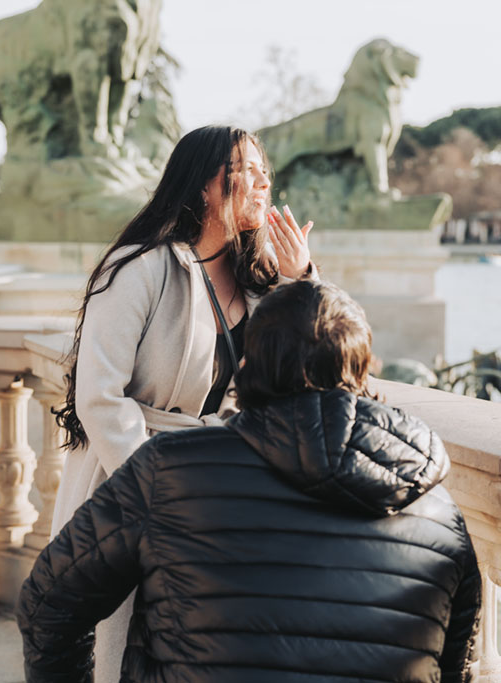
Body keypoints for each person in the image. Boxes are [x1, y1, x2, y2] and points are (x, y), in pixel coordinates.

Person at [19, 279, 482, 682]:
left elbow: (46, 607)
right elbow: (454, 667)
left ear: (247, 368)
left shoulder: (167, 471)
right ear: (364, 373)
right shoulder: (441, 517)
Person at [50, 125, 315, 681]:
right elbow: (99, 396)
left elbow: (326, 367)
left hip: (215, 491)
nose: (265, 181)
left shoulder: (259, 281)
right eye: (249, 169)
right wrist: (163, 488)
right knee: (126, 649)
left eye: (266, 170)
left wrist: (305, 281)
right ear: (205, 187)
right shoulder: (138, 269)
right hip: (129, 486)